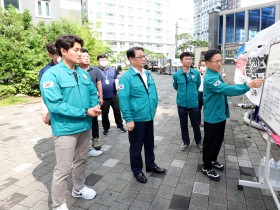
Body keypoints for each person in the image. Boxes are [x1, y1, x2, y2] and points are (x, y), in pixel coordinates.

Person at [40, 35, 102, 210]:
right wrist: (85, 111)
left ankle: (79, 188)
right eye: (76, 50)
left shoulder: (82, 73)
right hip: (66, 129)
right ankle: (58, 203)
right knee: (63, 169)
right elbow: (56, 105)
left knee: (81, 160)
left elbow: (91, 92)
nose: (80, 53)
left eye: (80, 49)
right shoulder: (51, 75)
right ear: (63, 51)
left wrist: (94, 105)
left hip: (84, 126)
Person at [202, 49, 264, 181]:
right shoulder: (210, 78)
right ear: (207, 63)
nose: (220, 63)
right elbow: (228, 90)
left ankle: (213, 160)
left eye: (220, 60)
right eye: (216, 61)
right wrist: (249, 85)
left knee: (218, 141)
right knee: (210, 143)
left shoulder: (215, 74)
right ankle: (206, 166)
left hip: (220, 114)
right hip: (212, 117)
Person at [118, 47, 166, 184]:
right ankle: (137, 170)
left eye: (144, 56)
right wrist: (128, 119)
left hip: (149, 116)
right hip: (136, 119)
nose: (144, 59)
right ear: (131, 59)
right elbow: (124, 100)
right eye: (141, 57)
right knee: (136, 146)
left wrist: (154, 108)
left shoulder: (148, 73)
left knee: (149, 144)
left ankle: (151, 165)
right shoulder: (126, 78)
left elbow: (153, 92)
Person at [173, 52, 202, 152]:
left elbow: (198, 85)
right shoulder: (176, 75)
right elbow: (176, 86)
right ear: (181, 61)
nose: (189, 61)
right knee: (183, 124)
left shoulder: (196, 73)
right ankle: (186, 142)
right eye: (186, 59)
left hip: (194, 103)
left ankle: (198, 142)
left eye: (190, 59)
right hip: (181, 103)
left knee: (195, 124)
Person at [93, 54, 126, 135]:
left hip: (114, 95)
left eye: (105, 60)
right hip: (103, 97)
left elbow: (116, 80)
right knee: (104, 114)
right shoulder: (96, 70)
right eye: (101, 60)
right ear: (98, 61)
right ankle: (106, 128)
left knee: (117, 111)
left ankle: (120, 126)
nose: (103, 62)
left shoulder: (112, 70)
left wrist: (118, 87)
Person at [80, 48, 103, 157]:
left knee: (94, 121)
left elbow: (99, 85)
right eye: (84, 56)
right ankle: (84, 146)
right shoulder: (77, 70)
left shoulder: (95, 70)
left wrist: (101, 97)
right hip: (82, 102)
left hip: (93, 100)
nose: (86, 58)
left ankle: (95, 140)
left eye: (88, 57)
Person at [39, 43, 61, 125]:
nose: (60, 56)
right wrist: (45, 111)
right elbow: (44, 93)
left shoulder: (70, 67)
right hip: (56, 109)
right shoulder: (46, 71)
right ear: (50, 56)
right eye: (57, 54)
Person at [198, 60, 207, 126]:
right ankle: (197, 122)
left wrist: (203, 73)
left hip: (205, 93)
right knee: (197, 109)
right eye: (202, 65)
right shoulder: (196, 73)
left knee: (206, 108)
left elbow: (207, 80)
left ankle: (205, 121)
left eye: (204, 65)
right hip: (198, 92)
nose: (203, 67)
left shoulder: (208, 74)